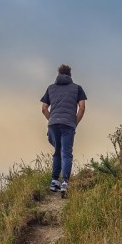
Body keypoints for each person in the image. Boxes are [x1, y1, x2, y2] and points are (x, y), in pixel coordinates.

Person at [40, 64, 87, 196]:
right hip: (68, 124)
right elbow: (82, 107)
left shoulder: (50, 88)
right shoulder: (77, 88)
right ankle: (65, 182)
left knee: (57, 152)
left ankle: (54, 181)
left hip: (53, 124)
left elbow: (44, 108)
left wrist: (51, 120)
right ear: (70, 75)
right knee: (66, 153)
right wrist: (74, 122)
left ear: (58, 74)